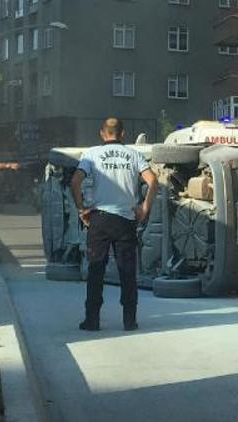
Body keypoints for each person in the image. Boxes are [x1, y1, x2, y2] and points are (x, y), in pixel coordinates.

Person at [70, 117, 158, 331]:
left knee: (96, 270)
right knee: (127, 272)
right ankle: (130, 320)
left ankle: (92, 320)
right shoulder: (134, 154)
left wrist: (82, 208)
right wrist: (144, 208)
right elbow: (153, 181)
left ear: (102, 133)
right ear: (122, 133)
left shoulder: (91, 154)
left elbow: (75, 182)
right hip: (125, 220)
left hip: (99, 220)